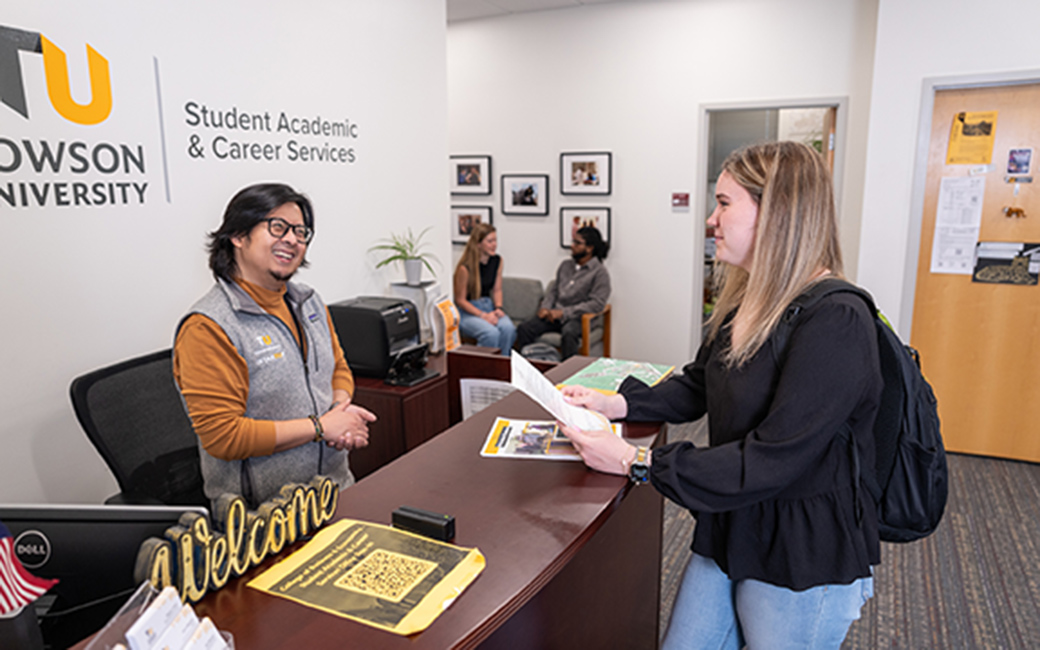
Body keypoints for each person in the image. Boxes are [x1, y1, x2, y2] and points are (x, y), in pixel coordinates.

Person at [561, 141, 882, 649]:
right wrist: (613, 404)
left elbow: (771, 459)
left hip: (800, 550)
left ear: (776, 212)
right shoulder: (746, 302)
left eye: (725, 203)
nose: (712, 220)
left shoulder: (836, 321)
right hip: (734, 520)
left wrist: (634, 461)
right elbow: (699, 384)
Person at [173, 183, 377, 509]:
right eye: (277, 227)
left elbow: (337, 366)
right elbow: (223, 436)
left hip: (334, 491)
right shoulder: (209, 327)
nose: (293, 239)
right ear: (238, 236)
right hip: (262, 518)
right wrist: (320, 427)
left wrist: (339, 407)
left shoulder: (308, 302)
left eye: (300, 231)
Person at [515, 226, 611, 360]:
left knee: (569, 333)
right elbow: (553, 291)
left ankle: (566, 376)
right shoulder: (565, 265)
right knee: (524, 328)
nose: (572, 246)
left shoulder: (599, 273)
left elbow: (597, 303)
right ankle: (530, 368)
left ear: (590, 248)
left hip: (578, 318)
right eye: (573, 241)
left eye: (577, 243)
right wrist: (545, 307)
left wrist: (564, 312)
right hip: (554, 316)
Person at [454, 223, 516, 355]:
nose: (494, 244)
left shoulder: (497, 261)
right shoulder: (464, 268)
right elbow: (460, 300)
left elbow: (497, 290)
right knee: (491, 333)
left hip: (488, 305)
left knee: (508, 329)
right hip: (468, 312)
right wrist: (483, 316)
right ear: (478, 244)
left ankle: (502, 368)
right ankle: (484, 371)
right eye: (489, 241)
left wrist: (498, 308)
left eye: (495, 240)